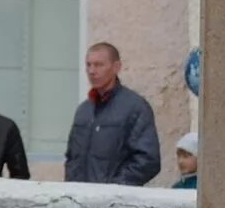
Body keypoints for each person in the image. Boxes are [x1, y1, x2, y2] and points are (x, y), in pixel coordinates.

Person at [63, 42, 163, 185]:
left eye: (98, 65)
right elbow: (72, 158)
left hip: (114, 202)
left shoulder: (135, 107)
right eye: (88, 65)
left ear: (116, 67)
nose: (92, 71)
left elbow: (148, 160)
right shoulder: (83, 111)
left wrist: (115, 187)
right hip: (79, 199)